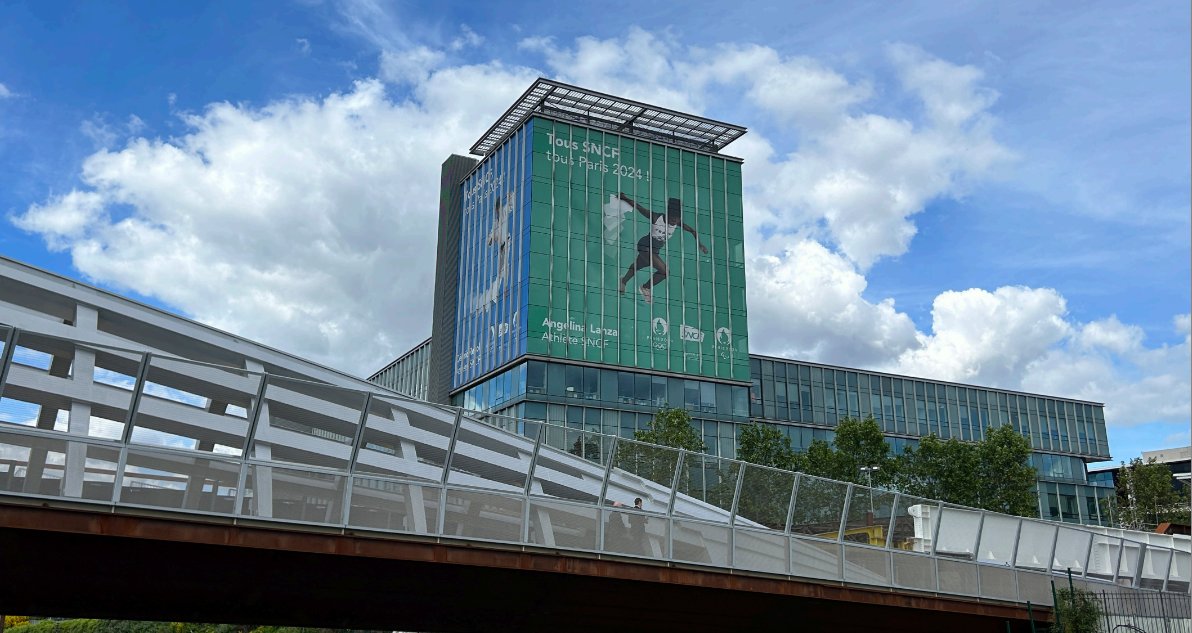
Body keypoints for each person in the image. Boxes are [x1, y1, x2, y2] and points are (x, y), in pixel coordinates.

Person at [616, 193, 707, 304]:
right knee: (665, 272)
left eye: (676, 220)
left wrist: (700, 244)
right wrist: (624, 198)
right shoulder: (656, 217)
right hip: (645, 246)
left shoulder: (677, 222)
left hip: (654, 251)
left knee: (637, 265)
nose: (674, 222)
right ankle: (645, 287)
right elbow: (638, 207)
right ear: (667, 214)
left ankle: (623, 281)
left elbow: (693, 231)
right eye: (672, 219)